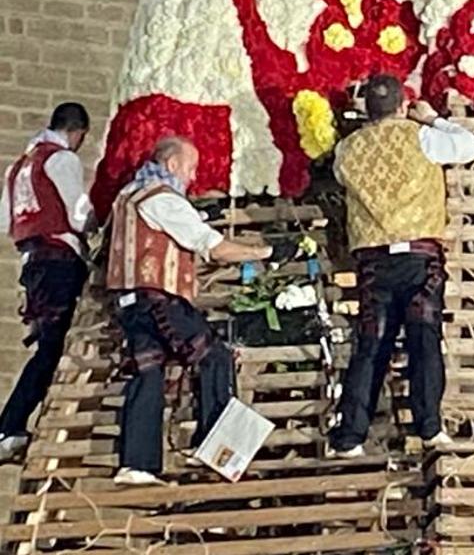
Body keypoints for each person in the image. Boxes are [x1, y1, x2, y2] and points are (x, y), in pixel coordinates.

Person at [106, 136, 298, 485]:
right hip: (159, 301)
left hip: (129, 303)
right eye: (191, 167)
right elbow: (211, 246)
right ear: (172, 164)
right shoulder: (161, 198)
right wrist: (267, 253)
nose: (192, 176)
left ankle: (136, 464)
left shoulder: (127, 195)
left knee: (147, 371)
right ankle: (216, 447)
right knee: (214, 356)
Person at [328, 74, 474, 458]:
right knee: (423, 339)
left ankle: (350, 436)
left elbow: (339, 177)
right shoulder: (421, 137)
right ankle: (430, 427)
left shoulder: (347, 149)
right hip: (418, 255)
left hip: (374, 260)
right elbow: (469, 146)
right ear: (402, 105)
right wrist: (431, 119)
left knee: (371, 345)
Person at [0, 103, 95, 462]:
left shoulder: (19, 165)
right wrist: (101, 225)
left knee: (49, 343)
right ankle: (9, 426)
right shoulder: (61, 159)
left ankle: (11, 426)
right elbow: (79, 212)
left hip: (32, 263)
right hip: (59, 260)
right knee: (54, 347)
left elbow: (4, 219)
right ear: (78, 132)